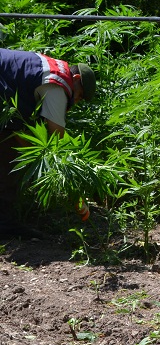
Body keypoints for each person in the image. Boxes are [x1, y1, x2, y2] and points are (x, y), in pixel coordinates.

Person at [0, 48, 97, 232]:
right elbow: (54, 146)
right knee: (10, 157)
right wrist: (74, 195)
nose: (76, 101)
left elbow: (22, 131)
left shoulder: (52, 67)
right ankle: (4, 224)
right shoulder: (59, 86)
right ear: (76, 80)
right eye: (80, 95)